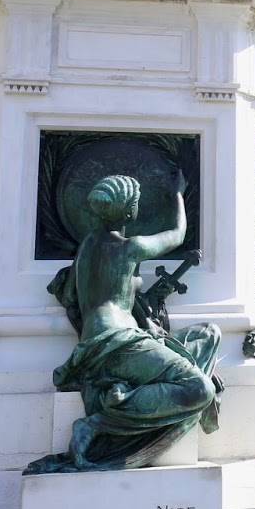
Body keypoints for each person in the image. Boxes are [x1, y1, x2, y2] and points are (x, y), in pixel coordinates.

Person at [24, 173, 221, 474]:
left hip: (99, 341)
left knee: (208, 334)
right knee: (200, 389)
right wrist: (177, 194)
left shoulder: (87, 245)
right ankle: (99, 421)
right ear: (130, 211)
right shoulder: (130, 248)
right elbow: (178, 234)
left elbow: (85, 296)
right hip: (120, 342)